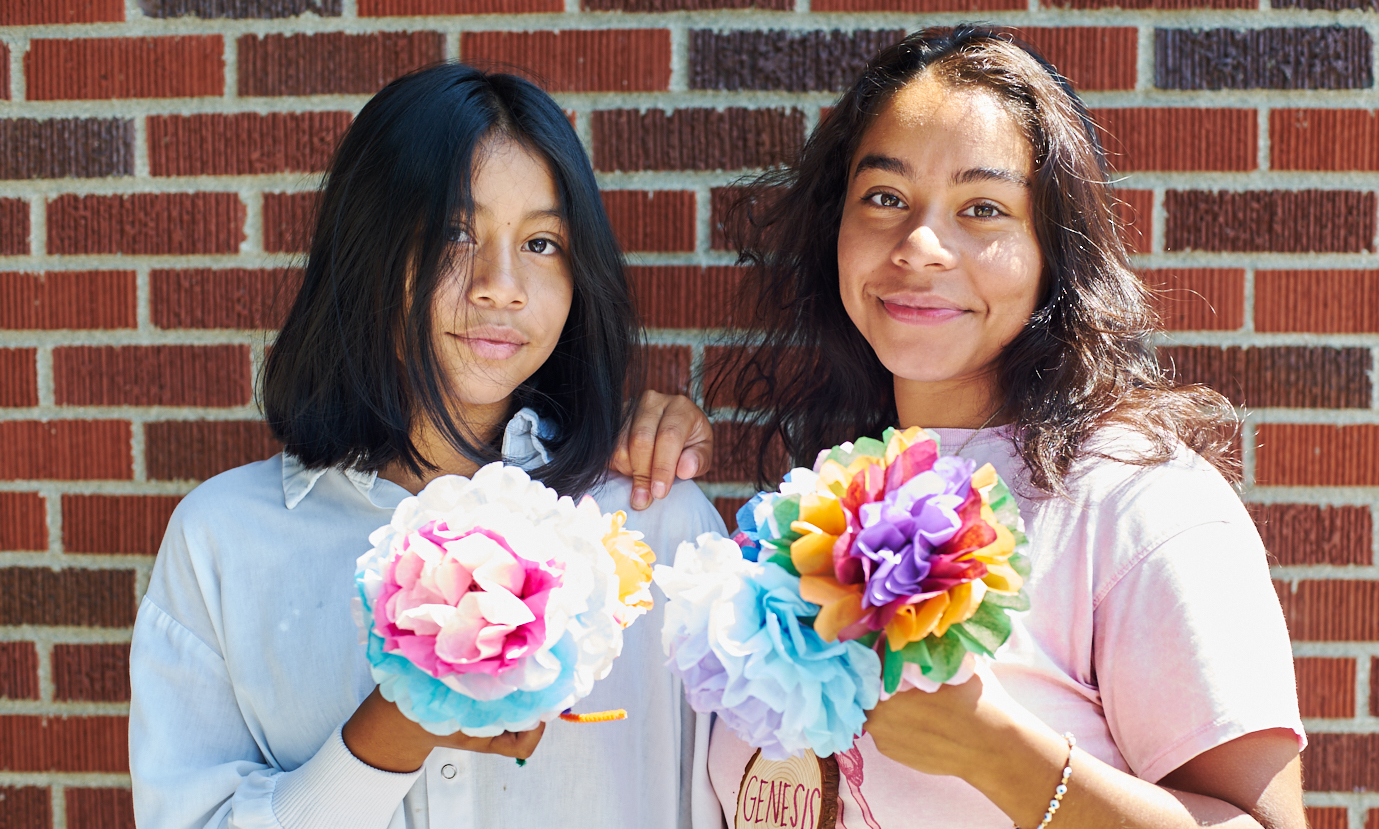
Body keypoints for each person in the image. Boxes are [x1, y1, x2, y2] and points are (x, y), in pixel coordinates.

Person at [702, 25, 1306, 829]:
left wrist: (996, 749)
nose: (919, 246)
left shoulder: (1139, 504)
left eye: (982, 208)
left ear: (1051, 249)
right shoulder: (825, 494)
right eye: (884, 197)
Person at [129, 64, 723, 829]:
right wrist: (392, 732)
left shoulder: (657, 527)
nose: (500, 284)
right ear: (366, 249)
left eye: (542, 242)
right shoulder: (224, 542)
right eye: (453, 232)